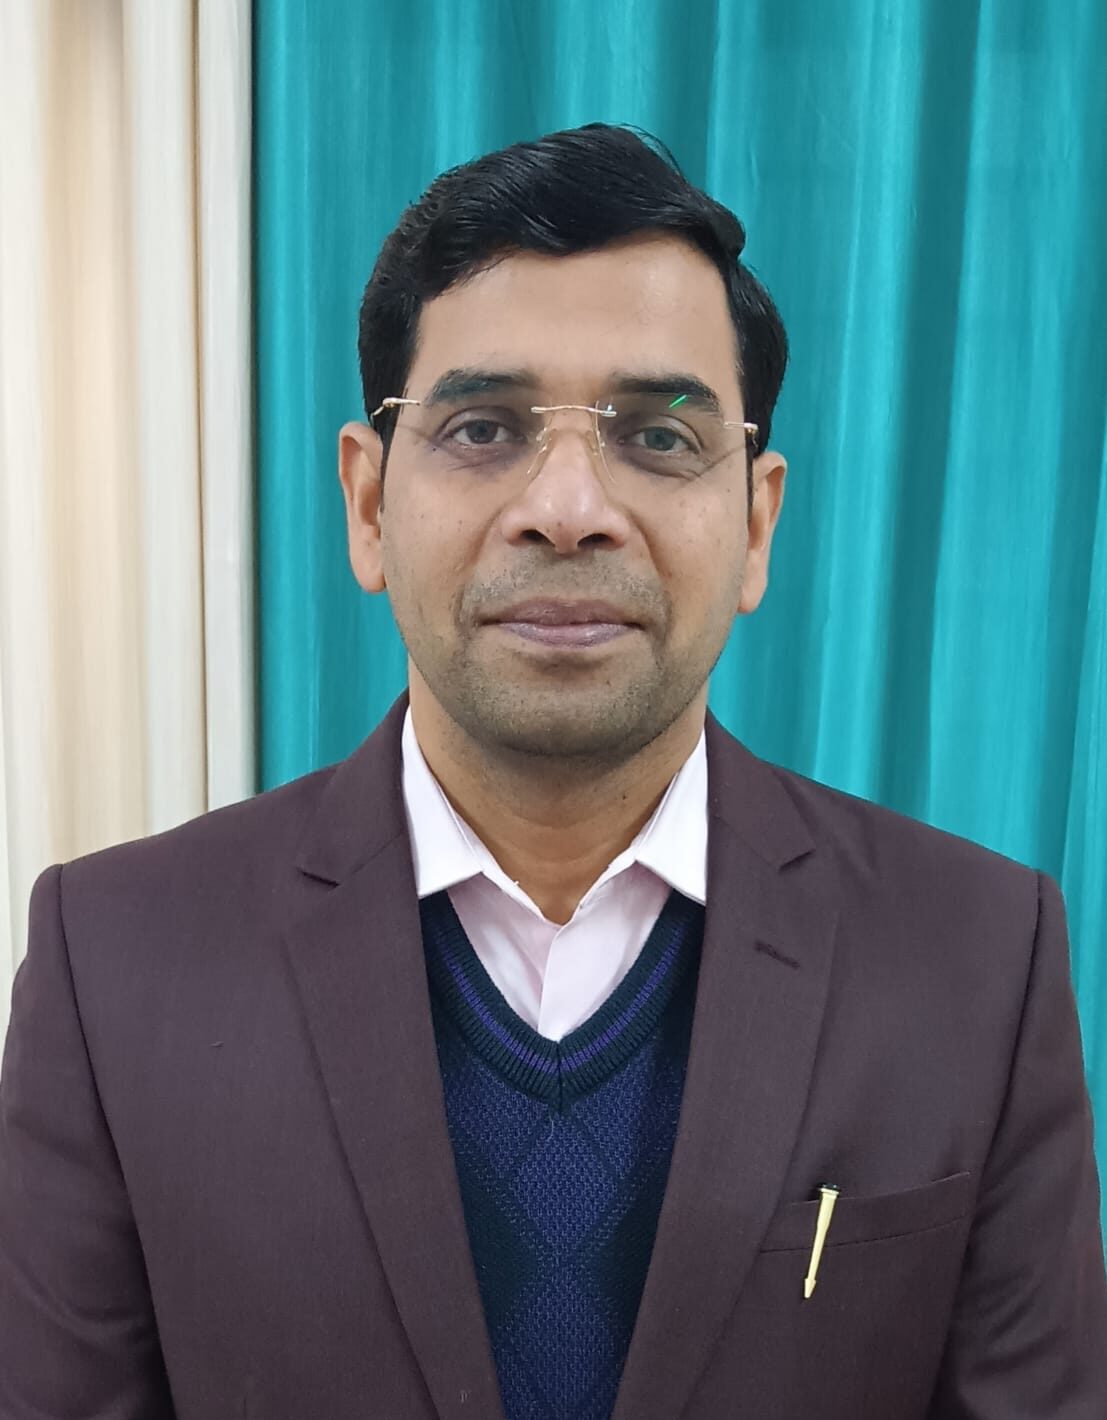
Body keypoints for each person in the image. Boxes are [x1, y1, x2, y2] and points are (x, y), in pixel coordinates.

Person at [1, 122, 1104, 1420]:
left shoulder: (977, 961)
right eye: (482, 428)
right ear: (369, 504)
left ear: (757, 521)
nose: (568, 509)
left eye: (659, 435)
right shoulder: (117, 963)